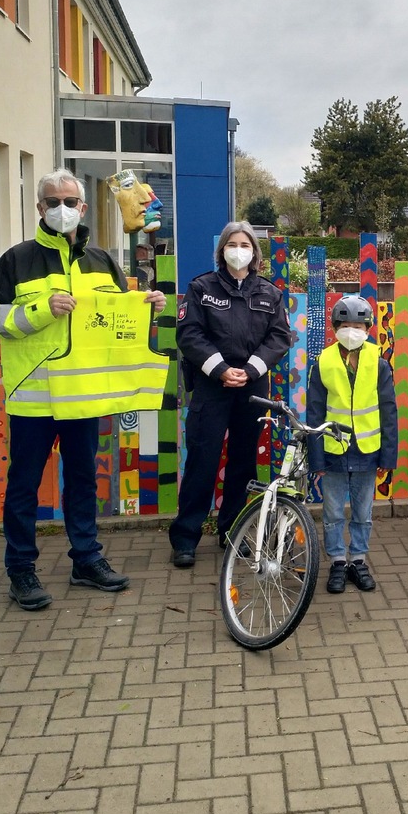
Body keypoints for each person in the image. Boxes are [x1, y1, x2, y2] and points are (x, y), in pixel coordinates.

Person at [0, 169, 166, 610]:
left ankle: (86, 559)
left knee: (83, 481)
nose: (62, 208)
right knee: (24, 485)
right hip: (34, 396)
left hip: (84, 396)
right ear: (39, 208)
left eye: (70, 201)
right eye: (53, 200)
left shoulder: (101, 261)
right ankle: (21, 570)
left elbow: (119, 326)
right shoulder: (16, 259)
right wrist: (42, 310)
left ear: (82, 208)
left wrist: (148, 309)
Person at [169, 222, 293, 567]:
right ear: (221, 250)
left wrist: (250, 370)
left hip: (251, 387)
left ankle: (232, 531)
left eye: (246, 244)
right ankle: (185, 538)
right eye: (232, 244)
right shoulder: (201, 288)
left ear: (255, 252)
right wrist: (221, 369)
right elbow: (189, 334)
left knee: (243, 462)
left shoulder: (269, 293)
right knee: (202, 462)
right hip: (212, 384)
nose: (239, 249)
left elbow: (279, 337)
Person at [306, 295, 397, 593]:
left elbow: (388, 411)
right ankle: (336, 561)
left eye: (358, 325)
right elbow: (315, 412)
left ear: (368, 328)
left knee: (362, 512)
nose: (352, 330)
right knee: (332, 513)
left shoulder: (379, 362)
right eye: (345, 325)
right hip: (333, 451)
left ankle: (357, 559)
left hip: (368, 451)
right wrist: (315, 459)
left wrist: (388, 456)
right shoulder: (324, 362)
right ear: (334, 327)